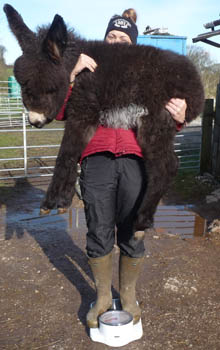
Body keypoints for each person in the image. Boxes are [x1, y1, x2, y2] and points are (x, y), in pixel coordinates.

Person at [57, 8, 187, 328]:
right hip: (96, 160)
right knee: (99, 231)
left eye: (123, 37)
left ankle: (127, 294)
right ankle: (102, 297)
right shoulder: (87, 72)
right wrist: (70, 77)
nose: (116, 41)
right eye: (111, 36)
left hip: (136, 162)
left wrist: (180, 116)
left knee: (132, 233)